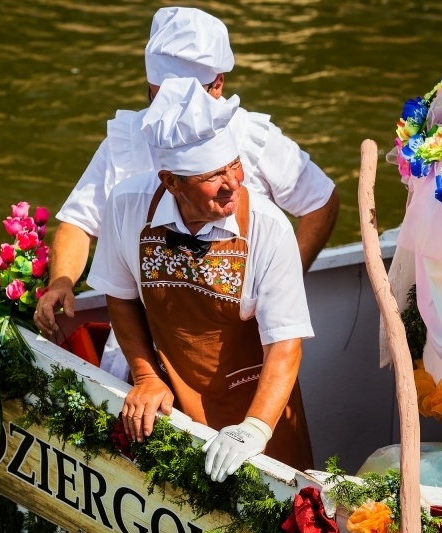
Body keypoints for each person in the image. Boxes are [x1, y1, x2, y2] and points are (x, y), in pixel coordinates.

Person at [34, 7, 338, 379]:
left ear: (218, 85)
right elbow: (80, 222)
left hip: (233, 335)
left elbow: (321, 200)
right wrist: (61, 281)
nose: (168, 112)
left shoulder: (254, 139)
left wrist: (285, 279)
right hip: (141, 341)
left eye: (183, 99)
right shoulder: (124, 141)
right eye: (159, 97)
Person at [86, 77, 315, 481]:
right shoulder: (127, 207)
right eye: (213, 176)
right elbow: (120, 298)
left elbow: (285, 344)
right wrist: (146, 376)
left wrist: (255, 429)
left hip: (260, 407)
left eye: (234, 166)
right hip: (176, 401)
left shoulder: (268, 228)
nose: (232, 185)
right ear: (170, 182)